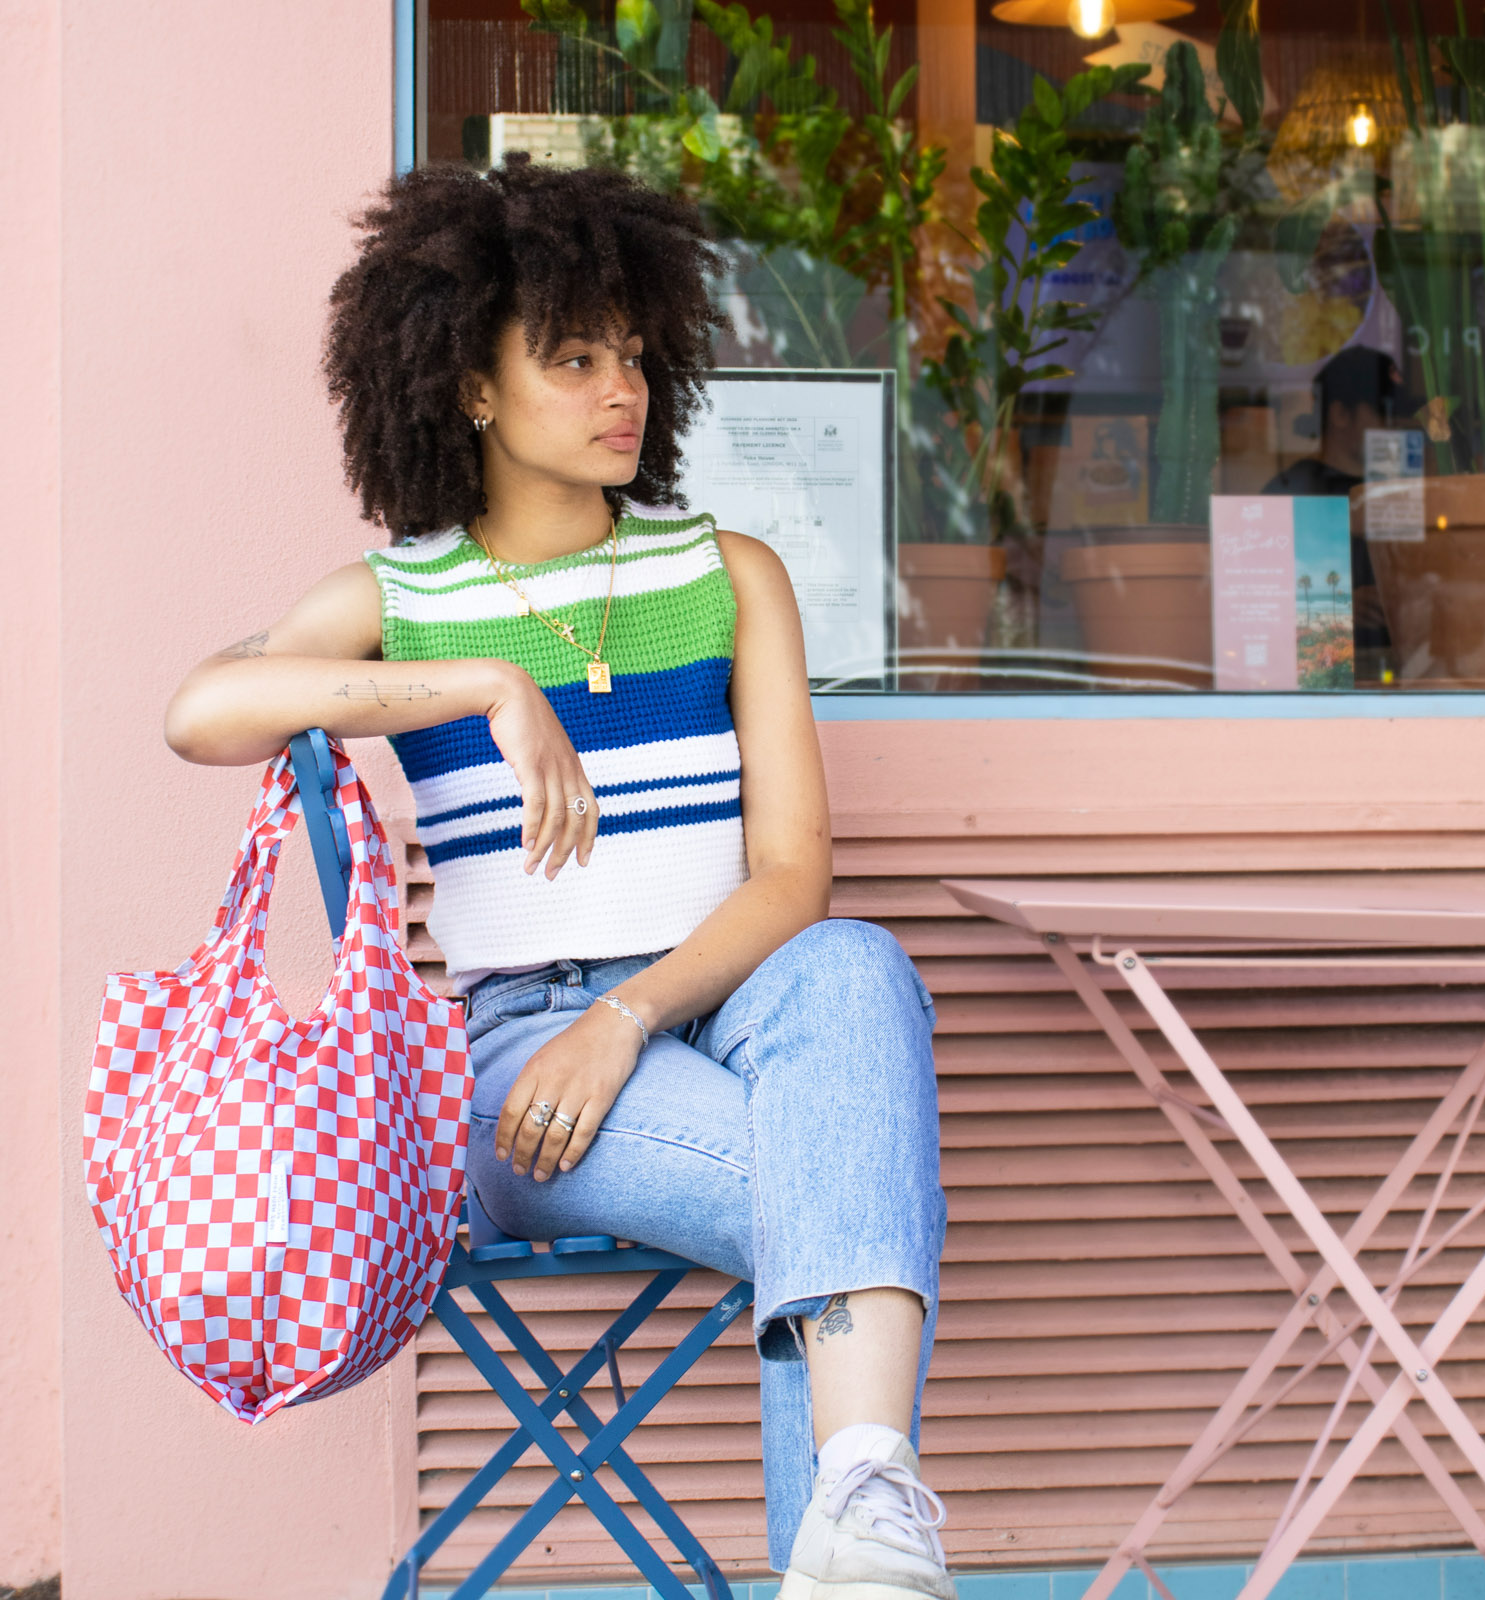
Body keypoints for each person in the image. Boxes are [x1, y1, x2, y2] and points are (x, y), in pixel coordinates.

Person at [163, 158, 950, 1600]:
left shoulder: (730, 574)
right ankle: (867, 1529)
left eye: (635, 353)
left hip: (706, 1006)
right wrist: (477, 682)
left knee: (857, 967)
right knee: (848, 1191)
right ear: (471, 383)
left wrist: (632, 1017)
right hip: (517, 1060)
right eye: (573, 356)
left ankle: (854, 1513)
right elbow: (200, 711)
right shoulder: (408, 598)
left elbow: (791, 877)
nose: (621, 388)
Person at [1262, 345, 1412, 668]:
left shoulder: (1401, 495)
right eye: (1382, 413)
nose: (1393, 428)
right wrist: (1339, 610)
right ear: (1340, 414)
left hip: (1404, 684)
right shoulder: (1292, 494)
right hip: (1318, 685)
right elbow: (1256, 605)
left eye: (1396, 416)